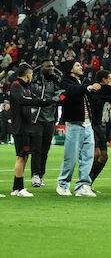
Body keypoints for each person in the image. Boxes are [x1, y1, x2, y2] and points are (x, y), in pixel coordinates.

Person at [56, 60, 111, 197]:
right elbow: (73, 91)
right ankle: (63, 184)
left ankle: (82, 186)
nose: (81, 67)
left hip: (88, 125)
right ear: (71, 69)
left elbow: (103, 89)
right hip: (74, 124)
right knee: (71, 157)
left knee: (88, 157)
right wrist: (88, 88)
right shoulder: (65, 82)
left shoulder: (84, 82)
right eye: (78, 65)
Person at [9, 63, 52, 197]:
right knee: (21, 157)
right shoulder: (16, 85)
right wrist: (37, 101)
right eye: (32, 74)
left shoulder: (26, 87)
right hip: (20, 127)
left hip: (27, 126)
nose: (32, 77)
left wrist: (49, 101)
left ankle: (16, 188)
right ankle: (20, 188)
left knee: (24, 156)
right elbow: (22, 100)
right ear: (27, 74)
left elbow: (35, 99)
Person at [30, 59, 62, 188]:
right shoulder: (35, 80)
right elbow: (34, 96)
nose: (51, 68)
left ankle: (41, 175)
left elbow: (62, 92)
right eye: (48, 66)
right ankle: (35, 176)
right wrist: (48, 100)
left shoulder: (56, 80)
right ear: (42, 68)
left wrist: (53, 99)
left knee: (45, 150)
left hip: (50, 119)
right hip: (37, 119)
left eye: (53, 66)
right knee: (36, 149)